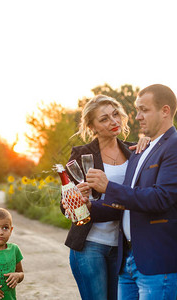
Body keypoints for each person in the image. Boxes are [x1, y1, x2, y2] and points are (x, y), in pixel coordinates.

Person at [85, 84, 177, 299]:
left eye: (144, 110)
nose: (137, 117)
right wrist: (89, 206)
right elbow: (126, 200)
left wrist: (108, 186)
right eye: (137, 110)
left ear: (165, 111)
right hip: (127, 260)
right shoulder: (139, 150)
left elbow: (160, 198)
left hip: (157, 261)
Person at [61, 94, 150, 300]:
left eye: (115, 114)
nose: (114, 121)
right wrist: (74, 203)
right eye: (104, 119)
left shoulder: (135, 150)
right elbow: (65, 204)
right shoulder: (81, 155)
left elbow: (140, 196)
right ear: (92, 127)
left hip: (124, 247)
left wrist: (150, 141)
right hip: (89, 245)